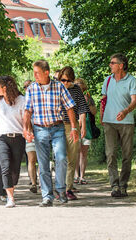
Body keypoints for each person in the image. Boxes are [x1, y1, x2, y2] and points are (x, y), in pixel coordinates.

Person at [23, 60, 79, 207]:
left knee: (61, 158)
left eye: (37, 73)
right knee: (43, 164)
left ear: (46, 73)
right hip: (39, 129)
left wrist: (73, 128)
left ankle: (61, 189)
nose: (34, 75)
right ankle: (47, 196)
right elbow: (28, 111)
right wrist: (26, 129)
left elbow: (70, 107)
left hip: (57, 128)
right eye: (34, 72)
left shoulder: (59, 86)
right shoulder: (31, 89)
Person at [101, 53, 136, 197]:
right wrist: (102, 116)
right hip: (109, 122)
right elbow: (103, 100)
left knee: (126, 156)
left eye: (112, 63)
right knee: (110, 154)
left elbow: (134, 101)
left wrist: (126, 111)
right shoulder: (108, 80)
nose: (110, 65)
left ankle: (123, 185)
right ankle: (114, 185)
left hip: (126, 122)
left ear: (121, 65)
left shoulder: (132, 81)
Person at [0, 76, 26, 208]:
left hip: (18, 137)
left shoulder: (21, 100)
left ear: (4, 88)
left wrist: (27, 130)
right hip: (0, 138)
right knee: (5, 166)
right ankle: (10, 197)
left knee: (15, 169)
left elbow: (26, 119)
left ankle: (11, 186)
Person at [58, 67, 90, 200]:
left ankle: (68, 188)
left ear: (71, 79)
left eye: (66, 80)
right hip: (58, 126)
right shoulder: (56, 89)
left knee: (72, 158)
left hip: (72, 127)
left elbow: (83, 109)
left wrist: (82, 127)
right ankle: (59, 186)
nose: (64, 82)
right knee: (60, 158)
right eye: (61, 80)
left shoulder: (76, 89)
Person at [74, 78, 97, 185]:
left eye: (80, 83)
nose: (78, 85)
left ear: (84, 85)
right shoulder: (72, 96)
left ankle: (82, 176)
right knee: (75, 152)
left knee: (84, 153)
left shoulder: (88, 97)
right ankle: (76, 176)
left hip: (86, 128)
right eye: (76, 83)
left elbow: (94, 112)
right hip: (75, 127)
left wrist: (88, 102)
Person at [23, 80, 39, 193]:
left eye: (29, 86)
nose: (27, 88)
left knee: (42, 160)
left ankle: (43, 182)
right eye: (25, 87)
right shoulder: (22, 102)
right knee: (31, 159)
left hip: (43, 132)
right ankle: (33, 183)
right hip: (30, 134)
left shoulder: (40, 98)